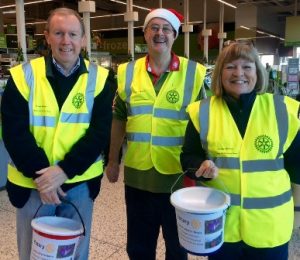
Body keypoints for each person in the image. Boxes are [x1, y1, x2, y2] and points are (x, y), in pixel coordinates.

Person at [1, 7, 116, 260]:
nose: (67, 41)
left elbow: (99, 134)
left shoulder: (100, 80)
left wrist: (63, 171)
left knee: (76, 253)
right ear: (47, 36)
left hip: (79, 185)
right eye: (59, 33)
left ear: (83, 39)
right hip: (32, 185)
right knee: (34, 254)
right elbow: (14, 132)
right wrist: (44, 177)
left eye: (73, 34)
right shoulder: (23, 77)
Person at [180, 41, 300, 260]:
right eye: (230, 66)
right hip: (221, 226)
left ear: (258, 71)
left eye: (247, 66)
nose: (239, 73)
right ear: (219, 73)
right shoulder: (202, 111)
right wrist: (199, 167)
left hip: (270, 227)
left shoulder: (282, 109)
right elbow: (188, 157)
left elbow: (297, 167)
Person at [105, 8, 206, 260]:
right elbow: (119, 118)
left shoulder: (193, 73)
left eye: (166, 29)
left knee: (177, 247)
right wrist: (113, 160)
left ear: (174, 36)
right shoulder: (127, 72)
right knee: (139, 248)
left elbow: (207, 122)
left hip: (178, 178)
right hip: (138, 178)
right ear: (145, 33)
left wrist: (206, 164)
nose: (159, 33)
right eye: (154, 28)